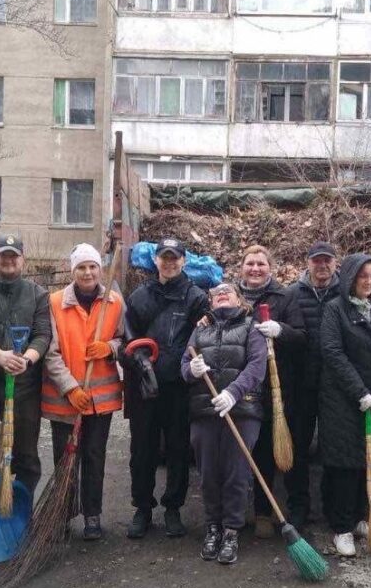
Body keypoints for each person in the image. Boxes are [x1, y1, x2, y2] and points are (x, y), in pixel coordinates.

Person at [319, 253, 371, 557]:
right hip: (342, 401)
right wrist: (359, 391)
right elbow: (332, 353)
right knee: (345, 463)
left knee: (369, 462)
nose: (368, 282)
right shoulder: (335, 310)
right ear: (351, 278)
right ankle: (341, 528)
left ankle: (359, 518)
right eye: (362, 276)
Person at [123, 237, 209, 539]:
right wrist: (138, 361)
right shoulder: (139, 297)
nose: (169, 262)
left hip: (179, 386)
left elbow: (204, 337)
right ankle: (142, 508)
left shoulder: (197, 297)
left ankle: (173, 508)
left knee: (177, 450)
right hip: (144, 387)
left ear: (183, 261)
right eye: (164, 257)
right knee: (141, 450)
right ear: (156, 261)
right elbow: (126, 338)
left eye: (175, 258)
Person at [41, 243, 125, 541]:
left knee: (94, 456)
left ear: (100, 269)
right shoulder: (53, 302)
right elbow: (49, 352)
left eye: (92, 267)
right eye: (81, 267)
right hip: (65, 399)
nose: (87, 272)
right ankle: (62, 514)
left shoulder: (113, 302)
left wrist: (110, 348)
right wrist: (70, 387)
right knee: (66, 459)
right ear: (72, 270)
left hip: (100, 401)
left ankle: (92, 515)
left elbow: (124, 340)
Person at [182, 283, 268, 564]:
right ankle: (213, 526)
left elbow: (257, 366)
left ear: (239, 299)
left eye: (228, 291)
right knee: (208, 474)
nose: (222, 293)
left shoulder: (251, 327)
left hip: (242, 411)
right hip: (204, 411)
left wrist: (233, 392)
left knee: (236, 473)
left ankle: (232, 529)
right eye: (217, 292)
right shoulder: (200, 329)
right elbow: (184, 364)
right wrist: (190, 371)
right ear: (211, 300)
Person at [0, 234, 52, 495]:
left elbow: (42, 334)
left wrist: (26, 359)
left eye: (13, 256)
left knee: (26, 454)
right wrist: (0, 356)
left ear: (22, 261)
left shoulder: (37, 294)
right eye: (3, 255)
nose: (8, 261)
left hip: (25, 387)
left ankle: (20, 507)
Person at [235, 245, 307, 538]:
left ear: (270, 267)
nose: (255, 269)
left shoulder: (285, 297)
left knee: (288, 450)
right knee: (261, 451)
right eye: (250, 263)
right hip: (247, 386)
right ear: (241, 267)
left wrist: (281, 331)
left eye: (261, 264)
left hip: (280, 389)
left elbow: (302, 337)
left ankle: (297, 510)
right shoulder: (232, 296)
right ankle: (263, 512)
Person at [284, 241, 340, 529]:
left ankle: (333, 505)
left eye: (327, 261)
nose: (322, 266)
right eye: (317, 261)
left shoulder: (346, 292)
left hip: (336, 386)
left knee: (334, 447)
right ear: (308, 263)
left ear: (336, 262)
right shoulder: (292, 294)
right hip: (301, 384)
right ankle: (298, 505)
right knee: (299, 447)